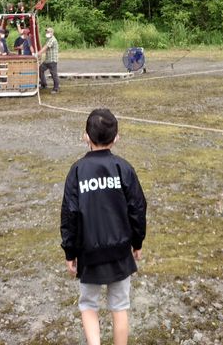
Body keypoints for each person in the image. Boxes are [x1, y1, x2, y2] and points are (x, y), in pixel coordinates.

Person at [61, 108, 147, 345]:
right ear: (116, 138)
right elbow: (138, 209)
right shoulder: (124, 168)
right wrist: (137, 242)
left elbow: (70, 215)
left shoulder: (77, 171)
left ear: (85, 136)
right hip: (119, 251)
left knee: (88, 304)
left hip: (89, 251)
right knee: (119, 306)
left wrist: (70, 251)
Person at [37, 26, 59, 92]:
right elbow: (44, 47)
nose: (47, 33)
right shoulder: (49, 39)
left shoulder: (52, 39)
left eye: (48, 32)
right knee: (40, 69)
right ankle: (44, 84)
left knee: (53, 74)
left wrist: (38, 54)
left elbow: (45, 48)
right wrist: (39, 53)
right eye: (46, 32)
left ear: (52, 32)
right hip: (47, 60)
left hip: (52, 60)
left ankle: (56, 88)